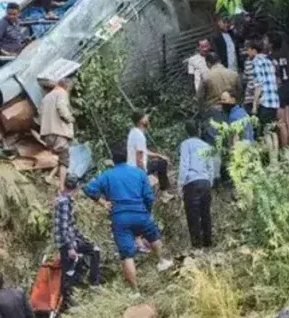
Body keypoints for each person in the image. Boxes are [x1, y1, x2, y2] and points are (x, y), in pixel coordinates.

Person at [83, 144, 174, 289]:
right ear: (127, 157)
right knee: (154, 236)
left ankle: (135, 290)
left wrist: (103, 203)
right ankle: (162, 261)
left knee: (127, 254)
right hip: (140, 212)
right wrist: (147, 211)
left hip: (120, 218)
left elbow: (88, 189)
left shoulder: (107, 175)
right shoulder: (139, 173)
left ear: (113, 160)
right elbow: (149, 197)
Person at [54, 174, 101, 310]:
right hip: (66, 243)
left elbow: (70, 225)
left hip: (72, 239)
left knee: (94, 250)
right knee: (68, 272)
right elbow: (63, 227)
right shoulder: (63, 202)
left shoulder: (65, 199)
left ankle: (94, 283)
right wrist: (70, 247)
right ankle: (66, 303)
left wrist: (81, 238)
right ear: (75, 187)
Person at [179, 119, 217, 249]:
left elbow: (184, 165)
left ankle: (197, 245)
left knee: (192, 214)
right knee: (205, 212)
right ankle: (208, 241)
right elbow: (211, 167)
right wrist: (209, 182)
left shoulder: (186, 144)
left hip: (192, 182)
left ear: (187, 132)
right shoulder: (207, 146)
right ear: (199, 130)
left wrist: (180, 183)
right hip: (205, 182)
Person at [40, 77, 75, 191]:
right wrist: (69, 118)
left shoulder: (46, 97)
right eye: (70, 88)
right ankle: (61, 186)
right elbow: (61, 108)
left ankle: (49, 177)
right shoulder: (61, 93)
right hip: (58, 132)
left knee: (60, 157)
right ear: (67, 86)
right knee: (65, 159)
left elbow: (40, 114)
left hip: (46, 133)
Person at [127, 112, 171, 192]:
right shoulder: (139, 136)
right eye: (145, 117)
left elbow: (144, 151)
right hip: (138, 168)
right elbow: (139, 158)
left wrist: (159, 156)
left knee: (161, 161)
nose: (147, 119)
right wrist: (143, 174)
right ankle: (164, 191)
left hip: (132, 167)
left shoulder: (133, 132)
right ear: (141, 121)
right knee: (162, 163)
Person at [270, 33, 289, 147]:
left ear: (271, 44)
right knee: (288, 121)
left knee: (281, 122)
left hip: (279, 89)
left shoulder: (271, 57)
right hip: (288, 86)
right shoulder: (285, 55)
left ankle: (284, 149)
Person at [245, 40, 281, 134]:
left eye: (248, 50)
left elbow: (259, 85)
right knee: (272, 131)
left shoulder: (256, 62)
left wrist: (254, 105)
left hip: (265, 101)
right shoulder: (268, 60)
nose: (247, 53)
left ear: (254, 50)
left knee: (264, 133)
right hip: (274, 100)